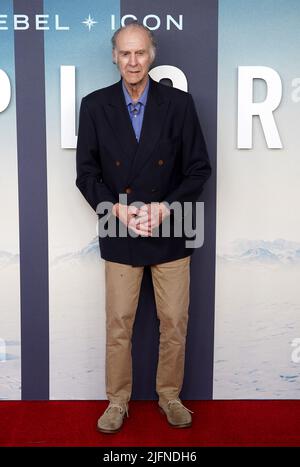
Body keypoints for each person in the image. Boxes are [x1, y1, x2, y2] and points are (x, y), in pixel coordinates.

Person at [76, 20, 211, 434]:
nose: (133, 61)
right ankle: (117, 401)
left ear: (152, 56)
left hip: (170, 228)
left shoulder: (180, 104)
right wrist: (115, 209)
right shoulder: (95, 105)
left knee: (174, 321)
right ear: (115, 57)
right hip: (120, 228)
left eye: (140, 53)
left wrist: (164, 209)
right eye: (125, 54)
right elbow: (86, 173)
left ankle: (169, 396)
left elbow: (198, 170)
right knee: (119, 323)